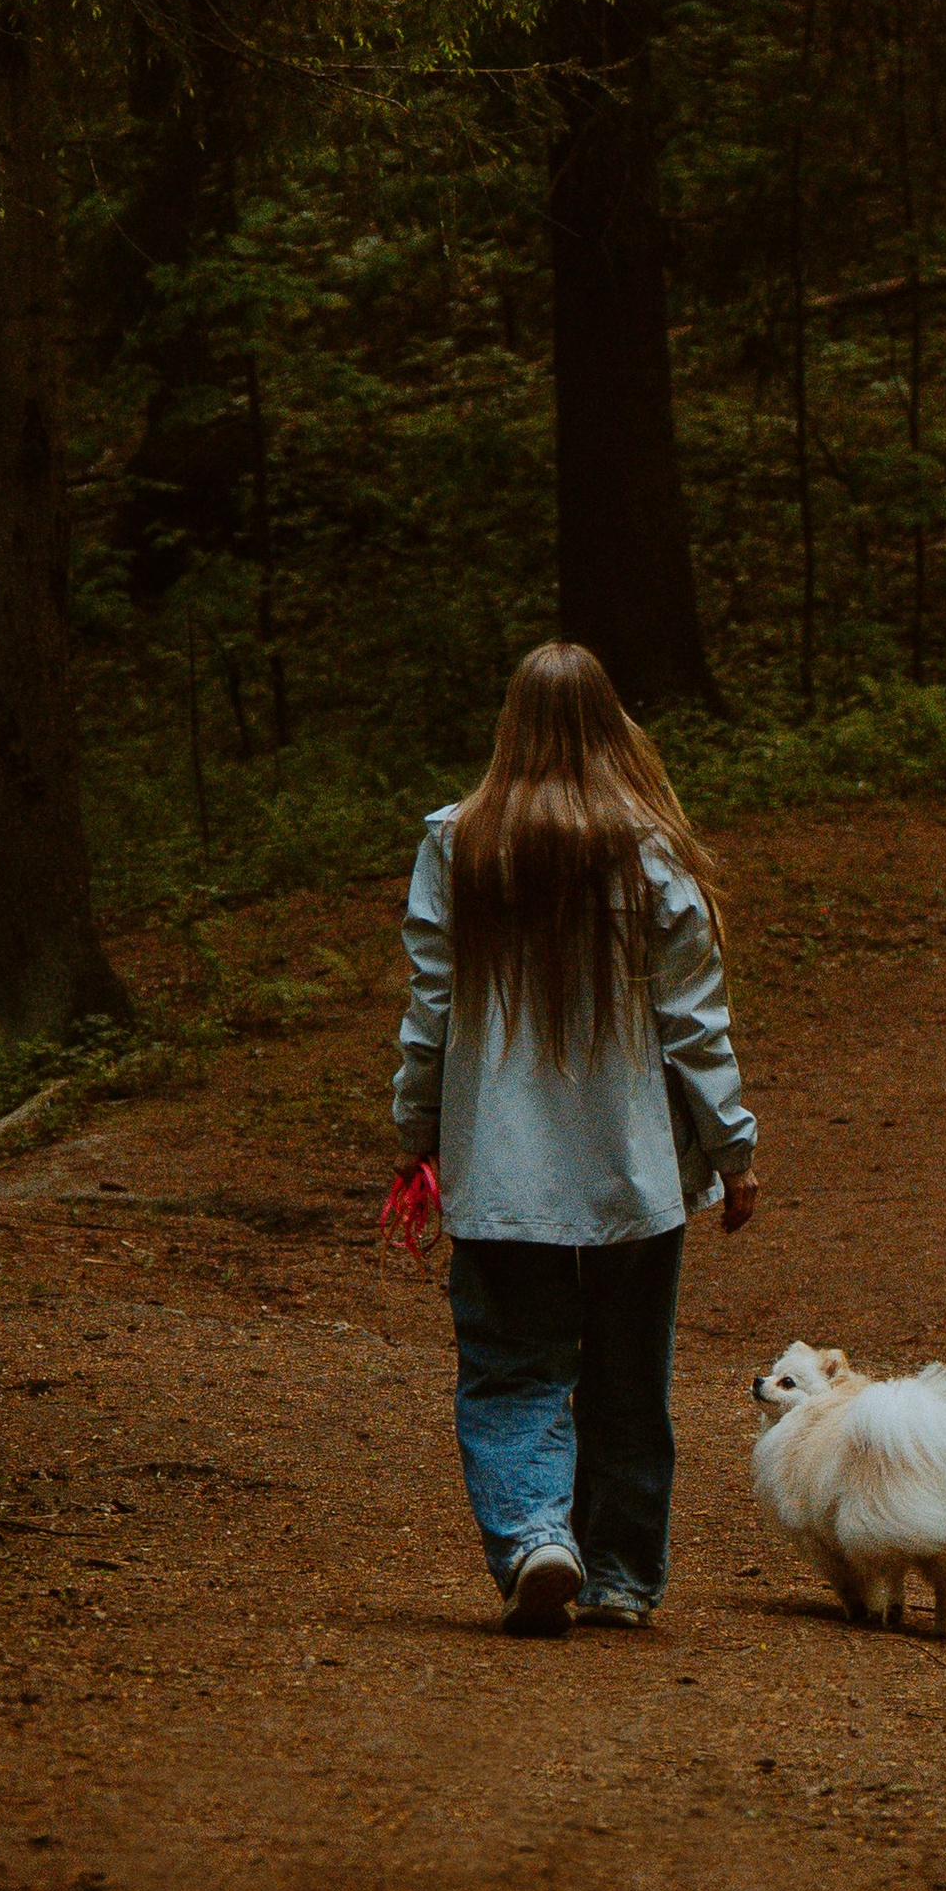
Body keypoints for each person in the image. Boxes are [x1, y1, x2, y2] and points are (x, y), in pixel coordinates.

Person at [391, 639, 759, 1633]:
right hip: (633, 1168)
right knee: (630, 1369)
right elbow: (695, 1021)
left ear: (509, 726)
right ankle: (622, 1575)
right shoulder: (653, 851)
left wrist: (415, 1127)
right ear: (611, 725)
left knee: (513, 1363)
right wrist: (732, 1151)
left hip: (501, 1165)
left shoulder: (457, 845)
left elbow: (430, 1008)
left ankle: (532, 1535)